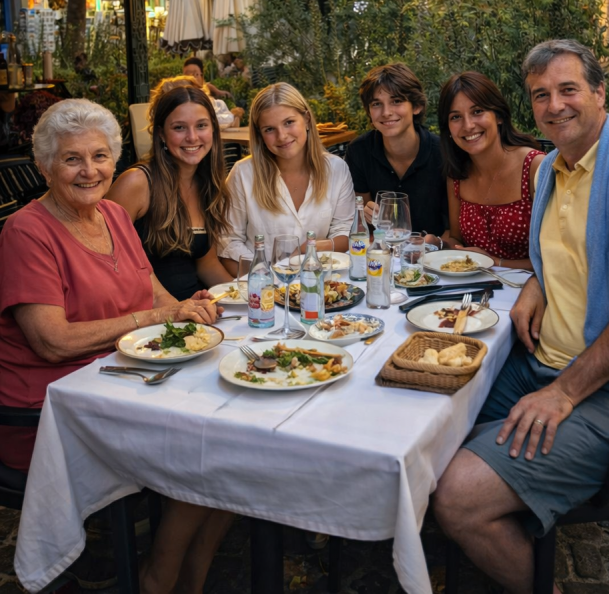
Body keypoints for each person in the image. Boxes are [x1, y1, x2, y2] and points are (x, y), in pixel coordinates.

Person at [434, 39, 609, 594]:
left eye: (568, 89)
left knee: (457, 495)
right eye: (541, 95)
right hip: (548, 362)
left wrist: (564, 392)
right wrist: (534, 283)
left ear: (599, 92)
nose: (555, 106)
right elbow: (563, 256)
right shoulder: (554, 168)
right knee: (427, 422)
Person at [0, 99, 229, 594]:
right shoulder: (26, 231)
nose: (90, 170)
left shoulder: (112, 215)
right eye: (72, 159)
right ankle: (159, 578)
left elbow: (153, 292)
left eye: (100, 156)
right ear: (44, 166)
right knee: (206, 449)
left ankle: (191, 572)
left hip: (124, 381)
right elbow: (52, 342)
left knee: (231, 430)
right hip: (53, 414)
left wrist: (191, 312)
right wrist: (155, 318)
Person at [108, 81, 233, 301]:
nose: (192, 137)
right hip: (147, 319)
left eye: (201, 125)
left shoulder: (208, 184)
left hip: (196, 315)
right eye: (179, 127)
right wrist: (175, 311)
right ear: (161, 134)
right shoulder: (137, 183)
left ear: (213, 128)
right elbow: (107, 264)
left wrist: (248, 297)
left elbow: (207, 265)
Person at [220, 82, 355, 270]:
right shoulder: (243, 174)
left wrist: (311, 248)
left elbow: (345, 231)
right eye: (269, 129)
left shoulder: (336, 169)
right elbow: (228, 241)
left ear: (306, 119)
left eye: (289, 122)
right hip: (263, 290)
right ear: (259, 134)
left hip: (320, 285)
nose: (282, 136)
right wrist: (265, 278)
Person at [437, 71, 544, 269]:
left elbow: (556, 260)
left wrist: (495, 263)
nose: (468, 125)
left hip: (531, 290)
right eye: (456, 117)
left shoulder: (534, 167)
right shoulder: (457, 175)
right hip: (474, 291)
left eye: (477, 111)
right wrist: (437, 244)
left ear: (499, 116)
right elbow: (456, 239)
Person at [345, 62, 446, 242]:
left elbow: (454, 233)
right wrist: (365, 214)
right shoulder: (359, 151)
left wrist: (431, 244)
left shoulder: (443, 154)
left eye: (396, 101)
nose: (386, 112)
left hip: (435, 258)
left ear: (416, 106)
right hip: (382, 256)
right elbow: (363, 230)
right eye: (377, 104)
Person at [182, 56, 245, 126]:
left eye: (195, 74)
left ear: (202, 77)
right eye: (187, 75)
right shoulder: (180, 101)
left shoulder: (217, 103)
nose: (191, 78)